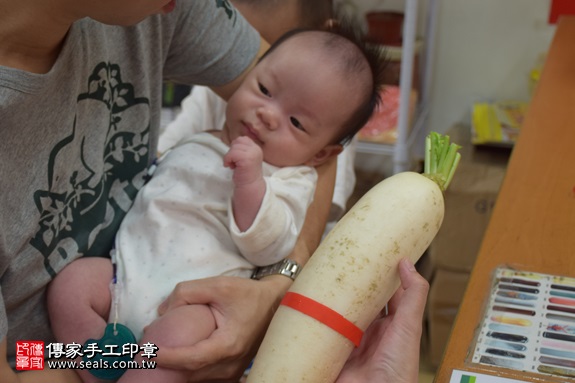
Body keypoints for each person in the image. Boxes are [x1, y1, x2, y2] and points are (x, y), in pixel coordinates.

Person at [0, 1, 429, 382]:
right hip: (103, 293)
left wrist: (272, 289)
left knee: (173, 348)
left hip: (187, 303)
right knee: (71, 287)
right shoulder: (214, 130)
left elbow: (272, 237)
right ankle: (94, 364)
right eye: (262, 90)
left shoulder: (287, 175)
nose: (266, 115)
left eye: (296, 123)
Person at [158, 0, 356, 236]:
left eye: (263, 49)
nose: (267, 114)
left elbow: (304, 227)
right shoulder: (210, 93)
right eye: (264, 87)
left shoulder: (327, 124)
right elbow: (164, 154)